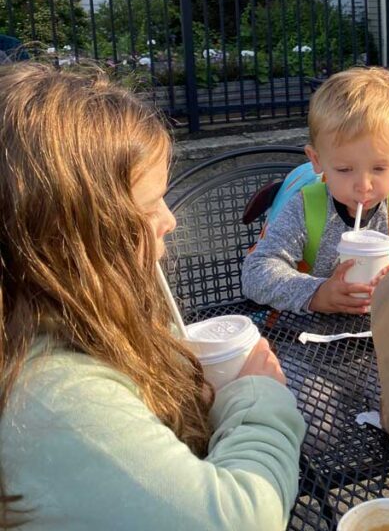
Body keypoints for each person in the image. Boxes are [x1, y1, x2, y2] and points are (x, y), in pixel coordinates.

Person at [0, 63, 305, 530]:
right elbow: (244, 517)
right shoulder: (54, 395)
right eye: (149, 206)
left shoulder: (75, 316)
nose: (170, 220)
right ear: (70, 239)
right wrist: (258, 397)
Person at [242, 67, 389, 314]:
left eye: (379, 168)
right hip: (309, 341)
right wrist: (317, 293)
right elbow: (255, 273)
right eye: (344, 169)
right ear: (316, 160)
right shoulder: (305, 209)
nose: (363, 185)